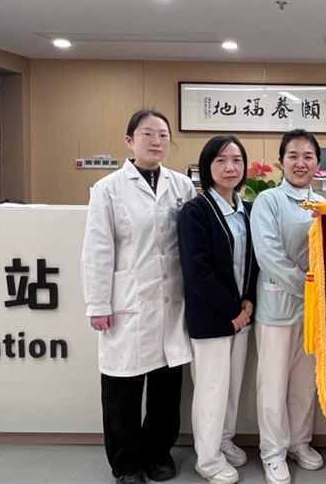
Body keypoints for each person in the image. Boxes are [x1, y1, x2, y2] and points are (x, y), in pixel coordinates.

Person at [82, 109, 195, 484]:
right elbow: (98, 249)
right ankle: (126, 464)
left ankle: (158, 453)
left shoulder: (182, 186)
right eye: (148, 134)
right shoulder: (108, 188)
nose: (157, 141)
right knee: (122, 389)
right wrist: (98, 303)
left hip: (170, 300)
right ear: (129, 141)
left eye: (163, 134)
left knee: (166, 388)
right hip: (127, 302)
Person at [177, 135, 259, 484]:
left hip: (242, 316)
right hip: (212, 317)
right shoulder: (195, 211)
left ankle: (224, 440)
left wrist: (248, 300)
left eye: (237, 160)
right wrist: (232, 309)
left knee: (231, 387)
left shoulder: (246, 210)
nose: (230, 167)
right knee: (211, 390)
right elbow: (197, 272)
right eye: (221, 160)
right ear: (206, 166)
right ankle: (208, 459)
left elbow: (253, 261)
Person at [251, 129, 326, 484]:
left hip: (313, 314)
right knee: (273, 384)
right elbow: (269, 255)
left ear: (318, 163)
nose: (300, 163)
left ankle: (299, 442)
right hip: (277, 309)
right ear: (281, 162)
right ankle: (273, 452)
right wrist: (309, 289)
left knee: (303, 383)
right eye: (293, 156)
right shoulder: (268, 201)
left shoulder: (324, 205)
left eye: (308, 156)